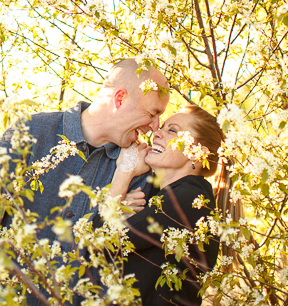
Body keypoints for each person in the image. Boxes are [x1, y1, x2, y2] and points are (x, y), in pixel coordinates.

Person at [0, 58, 169, 303]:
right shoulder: (30, 134)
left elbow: (128, 262)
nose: (156, 127)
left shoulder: (138, 170)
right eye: (153, 113)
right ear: (119, 98)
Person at [101, 104, 237, 305]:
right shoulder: (165, 196)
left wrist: (124, 172)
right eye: (162, 127)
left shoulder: (189, 200)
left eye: (172, 130)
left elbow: (99, 241)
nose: (156, 133)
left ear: (197, 154)